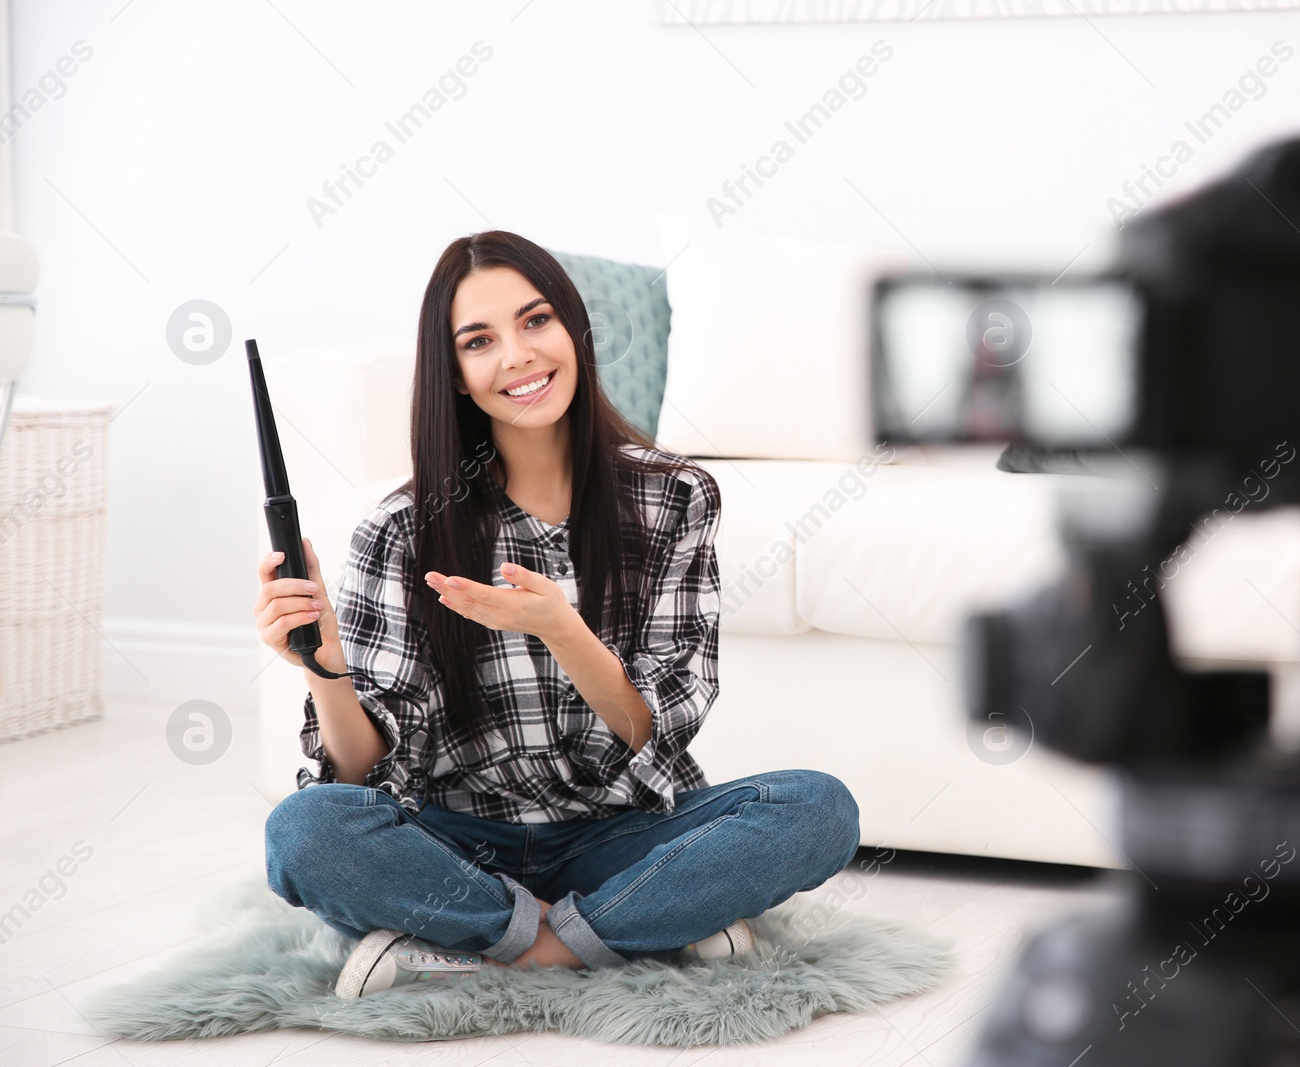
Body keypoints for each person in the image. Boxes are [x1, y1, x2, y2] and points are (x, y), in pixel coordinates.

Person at [253, 231, 860, 998]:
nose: (517, 355)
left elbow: (656, 730)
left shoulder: (674, 498)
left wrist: (562, 628)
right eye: (480, 340)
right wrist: (327, 666)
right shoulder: (400, 529)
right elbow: (369, 771)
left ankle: (509, 948)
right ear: (457, 376)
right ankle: (633, 929)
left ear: (574, 329)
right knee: (305, 829)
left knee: (817, 807)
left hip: (623, 834)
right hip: (458, 842)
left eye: (536, 321)